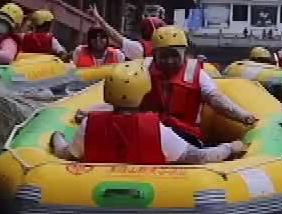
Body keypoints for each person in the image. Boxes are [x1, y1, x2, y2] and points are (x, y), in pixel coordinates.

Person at [50, 64, 247, 165]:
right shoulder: (157, 130)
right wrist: (230, 147)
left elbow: (66, 153)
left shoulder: (88, 125)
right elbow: (200, 157)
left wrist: (56, 137)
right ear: (144, 93)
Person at [140, 25, 257, 143]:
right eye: (163, 56)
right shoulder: (141, 71)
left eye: (174, 55)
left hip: (184, 134)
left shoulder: (198, 75)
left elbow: (216, 99)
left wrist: (244, 116)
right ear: (155, 55)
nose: (169, 61)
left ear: (184, 54)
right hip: (150, 130)